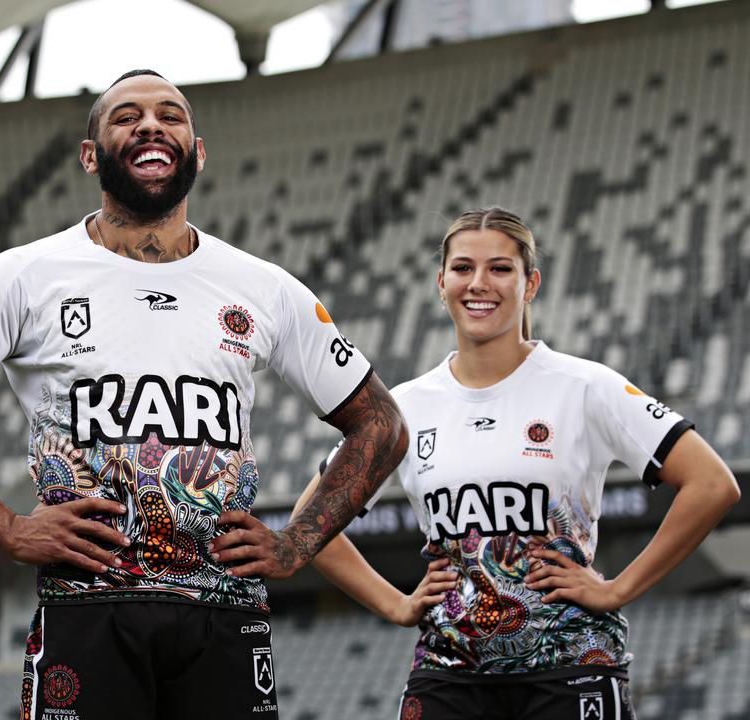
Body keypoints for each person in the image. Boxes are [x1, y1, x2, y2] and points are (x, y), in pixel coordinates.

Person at [0, 69, 408, 720]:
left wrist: (296, 544)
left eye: (171, 115)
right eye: (126, 116)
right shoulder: (25, 277)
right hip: (88, 610)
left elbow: (382, 426)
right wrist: (6, 528)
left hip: (223, 616)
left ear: (197, 152)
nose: (151, 124)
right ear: (91, 156)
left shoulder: (264, 288)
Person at [298, 207, 740, 720]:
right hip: (448, 670)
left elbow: (712, 483)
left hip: (571, 666)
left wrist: (619, 588)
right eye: (463, 268)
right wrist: (394, 603)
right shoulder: (404, 408)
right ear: (441, 283)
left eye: (500, 268)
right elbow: (311, 523)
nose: (479, 283)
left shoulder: (584, 386)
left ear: (530, 284)